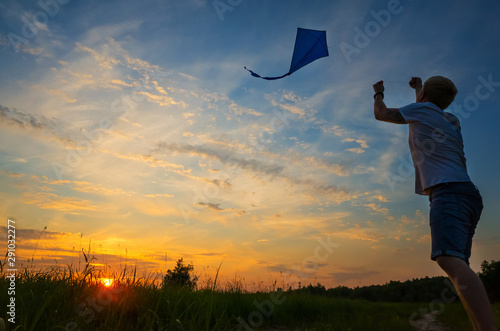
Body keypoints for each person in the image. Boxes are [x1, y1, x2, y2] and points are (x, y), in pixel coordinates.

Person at [373, 76, 497, 331]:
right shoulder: (451, 120)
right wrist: (419, 88)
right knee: (458, 265)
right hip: (468, 194)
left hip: (448, 192)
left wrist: (378, 93)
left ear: (426, 95)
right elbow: (426, 107)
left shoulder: (421, 110)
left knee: (449, 260)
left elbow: (381, 114)